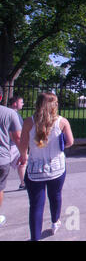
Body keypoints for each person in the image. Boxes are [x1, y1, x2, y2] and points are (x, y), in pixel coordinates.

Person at [18, 92, 74, 241]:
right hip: (56, 167)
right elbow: (70, 142)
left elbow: (23, 145)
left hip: (35, 169)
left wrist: (24, 157)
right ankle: (55, 221)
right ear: (55, 105)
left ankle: (35, 237)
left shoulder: (29, 122)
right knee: (55, 196)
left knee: (36, 205)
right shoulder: (62, 122)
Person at [0, 87, 22, 227]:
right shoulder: (8, 113)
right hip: (2, 157)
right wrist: (24, 155)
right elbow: (18, 137)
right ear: (1, 97)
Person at [8, 96, 26, 190]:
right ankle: (23, 183)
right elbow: (14, 133)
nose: (23, 104)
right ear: (15, 103)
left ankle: (23, 183)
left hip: (12, 144)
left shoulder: (13, 114)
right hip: (13, 144)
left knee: (22, 163)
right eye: (21, 102)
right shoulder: (13, 115)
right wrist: (22, 147)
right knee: (22, 161)